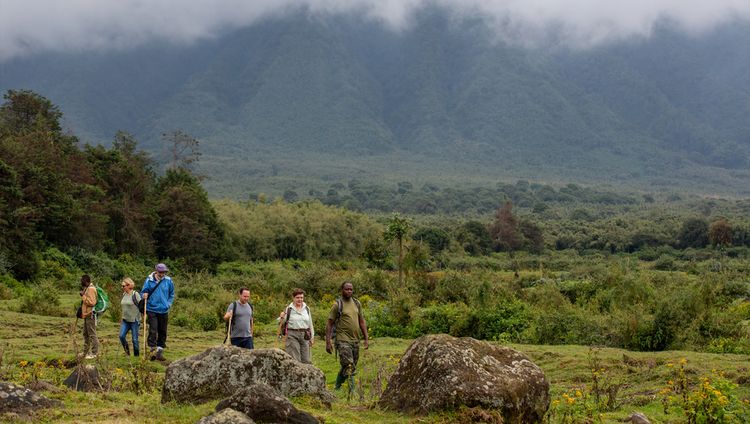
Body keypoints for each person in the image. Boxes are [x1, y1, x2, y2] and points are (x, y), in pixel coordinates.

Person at [326, 281, 368, 390]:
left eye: (351, 289)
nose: (349, 291)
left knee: (349, 366)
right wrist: (328, 342)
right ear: (342, 290)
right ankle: (352, 392)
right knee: (349, 366)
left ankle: (337, 387)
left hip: (355, 340)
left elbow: (362, 321)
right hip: (342, 340)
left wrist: (366, 338)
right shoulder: (337, 305)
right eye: (347, 289)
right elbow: (329, 323)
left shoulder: (357, 303)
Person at [142, 263, 174, 361]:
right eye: (160, 272)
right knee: (153, 329)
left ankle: (159, 352)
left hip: (164, 309)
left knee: (162, 330)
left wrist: (168, 304)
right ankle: (152, 351)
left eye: (164, 272)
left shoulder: (168, 281)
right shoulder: (149, 280)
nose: (162, 274)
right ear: (156, 271)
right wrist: (144, 295)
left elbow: (171, 294)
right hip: (152, 309)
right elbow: (143, 292)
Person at [278, 288, 314, 364]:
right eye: (297, 297)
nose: (300, 299)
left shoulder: (307, 309)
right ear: (293, 298)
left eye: (301, 297)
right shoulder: (289, 309)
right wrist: (281, 317)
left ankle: (305, 375)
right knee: (295, 360)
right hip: (292, 335)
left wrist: (312, 337)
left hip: (305, 335)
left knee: (306, 360)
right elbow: (282, 322)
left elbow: (310, 323)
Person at [119, 278, 141, 356]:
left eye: (123, 286)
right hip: (125, 320)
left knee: (134, 339)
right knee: (121, 336)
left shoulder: (135, 294)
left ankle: (136, 356)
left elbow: (141, 305)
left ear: (129, 285)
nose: (122, 287)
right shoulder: (124, 294)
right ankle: (127, 353)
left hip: (134, 320)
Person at [79, 275, 99, 359]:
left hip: (90, 314)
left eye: (82, 280)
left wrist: (83, 296)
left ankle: (94, 353)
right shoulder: (88, 288)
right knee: (85, 333)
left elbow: (92, 302)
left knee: (91, 334)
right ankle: (86, 352)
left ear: (86, 281)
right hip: (86, 314)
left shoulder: (91, 289)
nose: (81, 282)